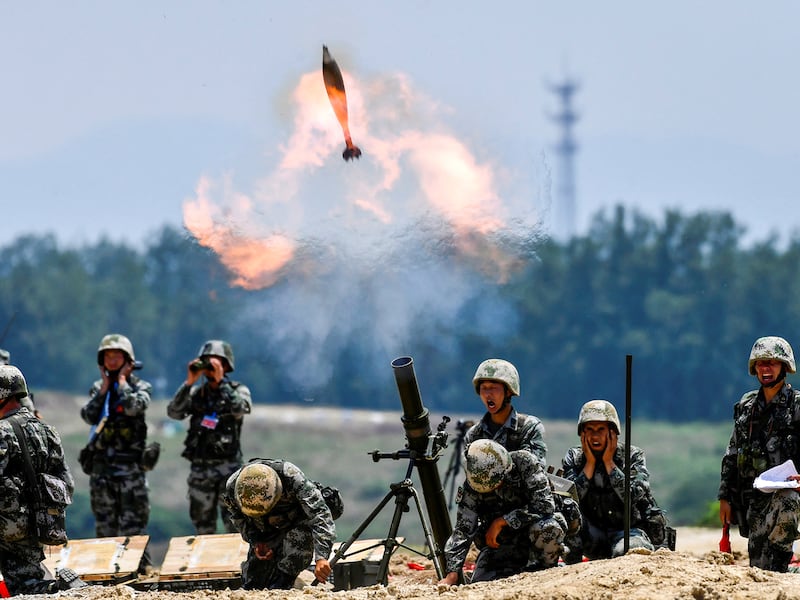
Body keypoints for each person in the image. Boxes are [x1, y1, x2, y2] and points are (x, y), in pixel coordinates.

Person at [463, 358, 582, 564]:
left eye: (494, 388)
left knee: (548, 529)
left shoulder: (529, 427)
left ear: (509, 391)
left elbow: (533, 478)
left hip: (531, 514)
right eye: (484, 389)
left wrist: (504, 521)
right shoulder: (474, 436)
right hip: (498, 528)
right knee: (483, 580)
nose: (488, 394)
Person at [719, 336, 800, 572]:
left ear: (784, 367)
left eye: (772, 363)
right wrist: (725, 495)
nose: (766, 368)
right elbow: (732, 452)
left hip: (788, 494)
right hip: (753, 498)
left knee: (787, 501)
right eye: (761, 363)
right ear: (754, 367)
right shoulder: (747, 406)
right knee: (763, 568)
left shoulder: (796, 406)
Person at [0, 365, 84, 594]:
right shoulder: (47, 430)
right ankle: (57, 588)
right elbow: (67, 482)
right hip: (42, 522)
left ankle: (58, 589)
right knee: (25, 580)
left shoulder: (2, 431)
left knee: (21, 586)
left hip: (7, 524)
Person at [439, 439, 564, 585]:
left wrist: (502, 521)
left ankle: (548, 571)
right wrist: (451, 574)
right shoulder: (471, 488)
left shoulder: (524, 462)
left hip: (534, 534)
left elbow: (545, 505)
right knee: (480, 583)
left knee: (549, 527)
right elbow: (463, 530)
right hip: (502, 543)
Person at [562, 399, 668, 560]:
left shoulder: (632, 456)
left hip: (627, 531)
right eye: (589, 429)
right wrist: (590, 464)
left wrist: (609, 463)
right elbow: (570, 500)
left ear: (612, 432)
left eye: (601, 429)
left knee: (627, 552)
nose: (595, 436)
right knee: (564, 548)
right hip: (591, 533)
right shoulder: (575, 458)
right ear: (582, 433)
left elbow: (633, 496)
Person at [167, 340, 252, 534]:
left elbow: (240, 408)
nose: (209, 367)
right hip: (200, 469)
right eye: (206, 362)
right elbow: (174, 412)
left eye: (214, 363)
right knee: (202, 525)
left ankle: (234, 564)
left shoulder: (238, 390)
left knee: (235, 524)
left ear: (226, 365)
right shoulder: (197, 393)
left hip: (228, 468)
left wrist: (221, 382)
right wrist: (189, 382)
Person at [80, 334, 153, 542]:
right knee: (104, 527)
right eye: (107, 356)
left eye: (117, 356)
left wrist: (122, 383)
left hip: (130, 470)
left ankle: (140, 570)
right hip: (102, 471)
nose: (111, 361)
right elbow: (88, 415)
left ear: (128, 360)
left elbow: (134, 407)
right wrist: (104, 387)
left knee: (134, 528)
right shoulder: (98, 388)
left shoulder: (140, 387)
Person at [222, 459, 335, 589]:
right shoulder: (233, 488)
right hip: (265, 528)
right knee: (254, 581)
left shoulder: (291, 477)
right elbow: (239, 520)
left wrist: (321, 557)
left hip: (298, 519)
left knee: (287, 571)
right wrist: (257, 541)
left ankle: (285, 580)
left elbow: (320, 514)